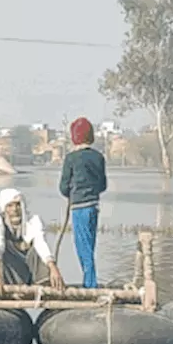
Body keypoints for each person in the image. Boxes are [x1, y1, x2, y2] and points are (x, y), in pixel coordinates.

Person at [58, 117, 107, 288]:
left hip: (79, 208)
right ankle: (89, 281)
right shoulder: (98, 157)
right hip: (94, 206)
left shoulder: (71, 158)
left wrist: (71, 193)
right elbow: (103, 185)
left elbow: (63, 187)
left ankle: (90, 285)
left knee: (83, 247)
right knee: (90, 245)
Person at [0, 188, 65, 295]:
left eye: (17, 204)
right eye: (10, 206)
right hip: (15, 273)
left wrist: (53, 268)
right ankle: (7, 285)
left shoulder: (33, 220)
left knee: (38, 251)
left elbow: (41, 244)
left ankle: (44, 285)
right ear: (4, 208)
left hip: (31, 271)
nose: (14, 209)